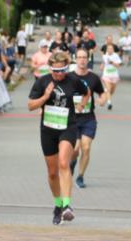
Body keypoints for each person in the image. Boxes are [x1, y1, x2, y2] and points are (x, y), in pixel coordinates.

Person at [27, 51, 91, 225]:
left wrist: (82, 104)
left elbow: (87, 92)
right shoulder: (43, 81)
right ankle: (57, 204)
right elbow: (30, 106)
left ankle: (67, 206)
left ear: (67, 67)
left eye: (62, 70)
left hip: (68, 127)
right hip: (48, 130)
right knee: (52, 172)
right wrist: (46, 96)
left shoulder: (73, 80)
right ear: (50, 69)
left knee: (64, 163)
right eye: (55, 71)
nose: (59, 74)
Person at [69, 48, 107, 189]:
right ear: (75, 59)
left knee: (86, 147)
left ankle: (80, 176)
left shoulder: (93, 78)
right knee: (75, 149)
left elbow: (102, 94)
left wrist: (102, 100)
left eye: (85, 57)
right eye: (79, 57)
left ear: (88, 59)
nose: (82, 60)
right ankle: (72, 162)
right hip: (72, 119)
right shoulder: (69, 77)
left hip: (88, 119)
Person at [101, 42, 122, 110]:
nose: (110, 50)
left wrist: (112, 62)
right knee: (109, 89)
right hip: (106, 75)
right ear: (106, 50)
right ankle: (109, 103)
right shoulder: (104, 56)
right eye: (108, 49)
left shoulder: (116, 56)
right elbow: (103, 64)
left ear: (113, 49)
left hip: (114, 75)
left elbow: (118, 65)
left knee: (112, 91)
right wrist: (102, 66)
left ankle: (105, 97)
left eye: (111, 49)